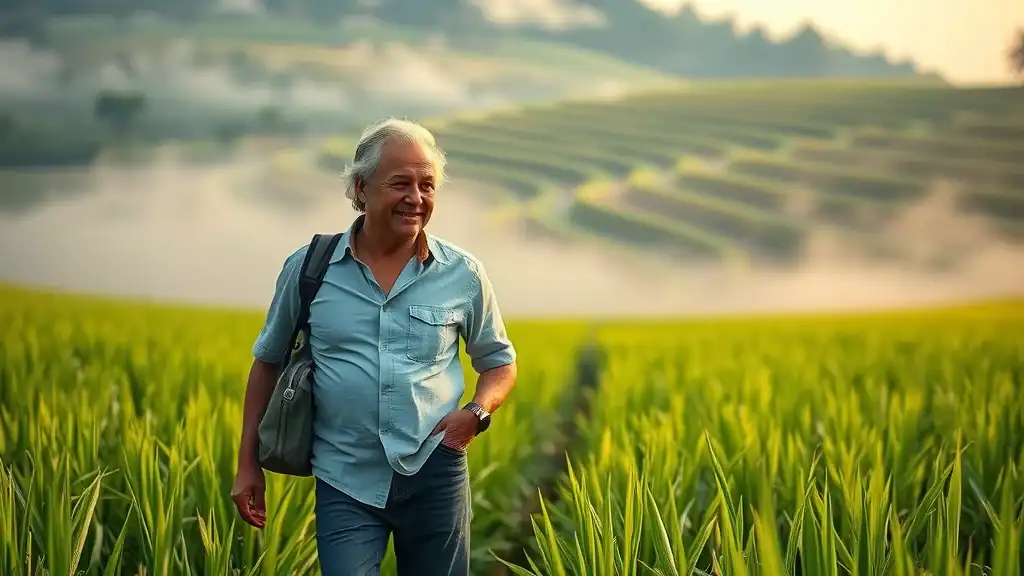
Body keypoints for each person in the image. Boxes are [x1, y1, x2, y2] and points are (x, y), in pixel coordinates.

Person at [230, 118, 518, 576]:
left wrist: (476, 415)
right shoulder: (309, 268)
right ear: (361, 188)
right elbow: (267, 363)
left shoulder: (462, 274)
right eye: (400, 183)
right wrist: (248, 465)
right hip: (344, 478)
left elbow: (499, 363)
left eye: (427, 185)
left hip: (435, 472)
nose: (416, 198)